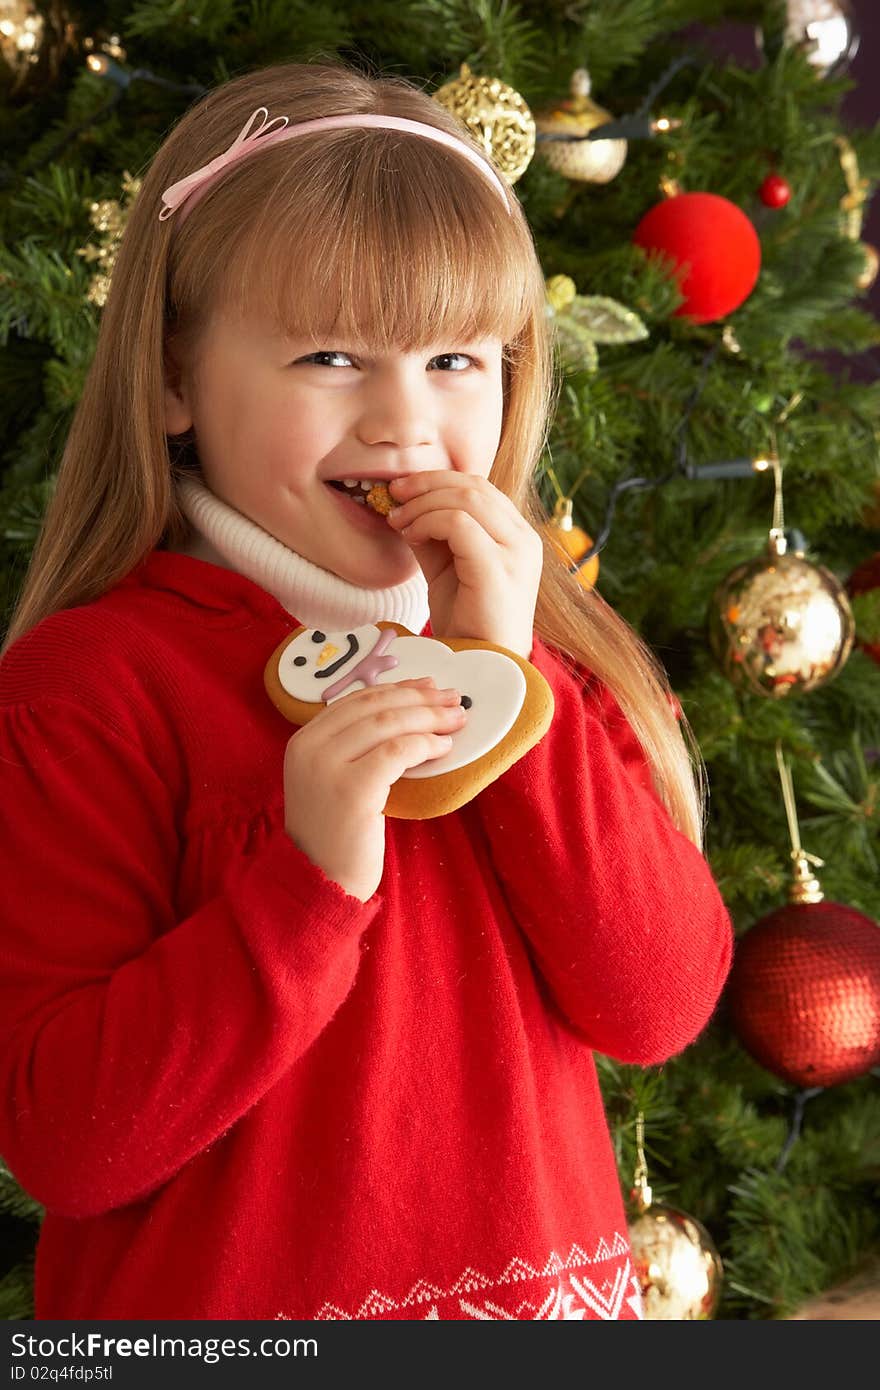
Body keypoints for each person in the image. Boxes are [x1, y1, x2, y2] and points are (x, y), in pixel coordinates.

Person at [0, 59, 733, 1322]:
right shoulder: (90, 690)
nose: (407, 422)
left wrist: (509, 683)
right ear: (173, 379)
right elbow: (67, 1142)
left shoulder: (551, 660)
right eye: (333, 355)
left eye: (456, 358)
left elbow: (657, 1003)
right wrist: (307, 886)